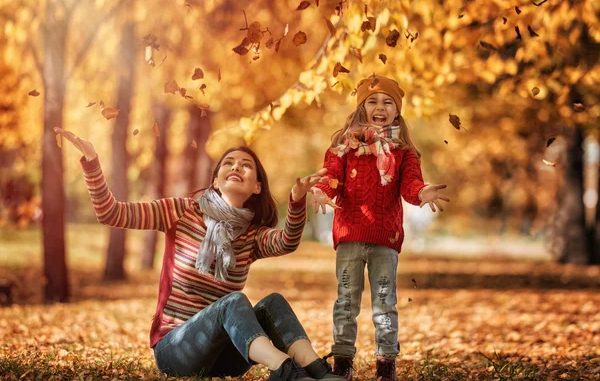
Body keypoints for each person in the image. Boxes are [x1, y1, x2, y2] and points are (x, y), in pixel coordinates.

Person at [55, 127, 346, 381]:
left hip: (224, 355)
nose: (236, 167)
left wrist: (296, 201)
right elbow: (111, 212)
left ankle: (318, 371)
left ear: (257, 187)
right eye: (228, 163)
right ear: (216, 180)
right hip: (176, 349)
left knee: (273, 303)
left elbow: (286, 241)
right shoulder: (182, 212)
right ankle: (284, 370)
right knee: (232, 302)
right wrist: (91, 161)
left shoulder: (250, 235)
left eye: (246, 165)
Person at [310, 75, 449, 381]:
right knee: (346, 300)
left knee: (384, 303)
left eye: (388, 102)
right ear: (361, 107)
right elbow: (331, 177)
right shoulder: (342, 147)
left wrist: (422, 193)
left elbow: (410, 184)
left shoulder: (404, 153)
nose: (380, 107)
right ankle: (343, 363)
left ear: (397, 112)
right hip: (349, 236)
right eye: (372, 101)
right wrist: (322, 191)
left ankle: (386, 366)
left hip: (385, 239)